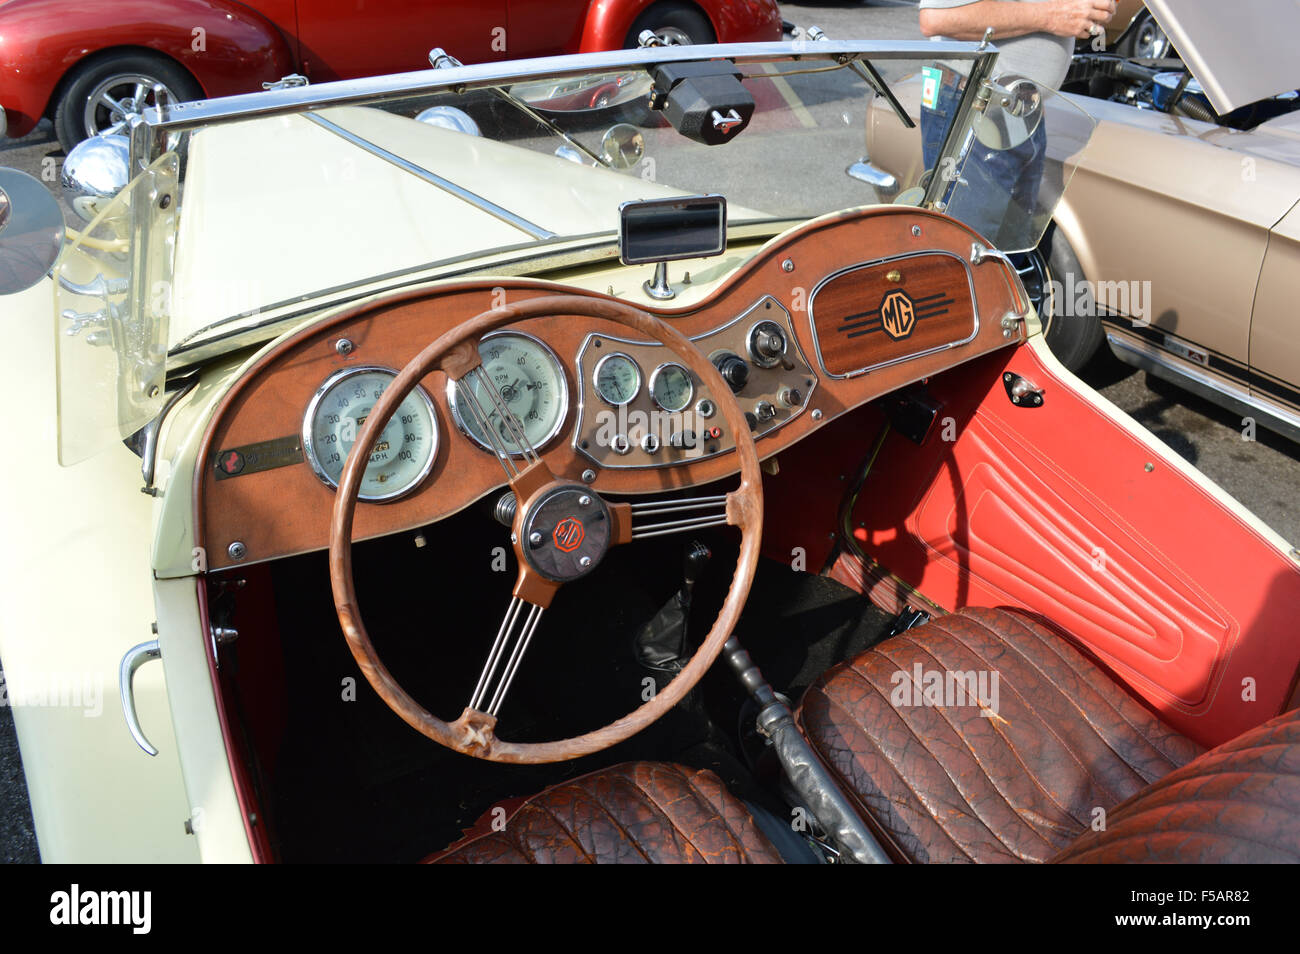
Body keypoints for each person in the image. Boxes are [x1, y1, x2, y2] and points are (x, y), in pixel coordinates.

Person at [915, 0, 1116, 248]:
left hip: (1018, 111)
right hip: (974, 107)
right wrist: (1053, 15)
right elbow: (936, 17)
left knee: (1006, 253)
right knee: (966, 254)